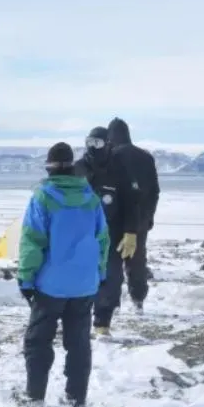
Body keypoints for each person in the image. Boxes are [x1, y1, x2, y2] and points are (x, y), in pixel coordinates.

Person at [15, 142, 108, 407]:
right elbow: (103, 239)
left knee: (38, 341)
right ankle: (76, 399)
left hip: (50, 285)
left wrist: (26, 279)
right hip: (84, 284)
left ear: (49, 168)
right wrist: (100, 273)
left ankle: (35, 397)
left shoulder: (43, 198)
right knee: (78, 343)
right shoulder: (91, 198)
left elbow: (32, 241)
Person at [73, 125, 140, 336]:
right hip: (82, 233)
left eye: (98, 143)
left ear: (108, 144)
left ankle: (102, 323)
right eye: (89, 142)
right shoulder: (77, 169)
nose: (93, 147)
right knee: (81, 277)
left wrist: (131, 232)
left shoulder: (120, 170)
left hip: (112, 233)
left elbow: (132, 203)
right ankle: (78, 320)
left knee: (110, 277)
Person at [106, 117, 160, 289]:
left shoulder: (111, 156)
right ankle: (138, 297)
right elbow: (154, 191)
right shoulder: (146, 157)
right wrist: (149, 217)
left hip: (115, 219)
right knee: (137, 261)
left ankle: (112, 298)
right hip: (140, 219)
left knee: (112, 262)